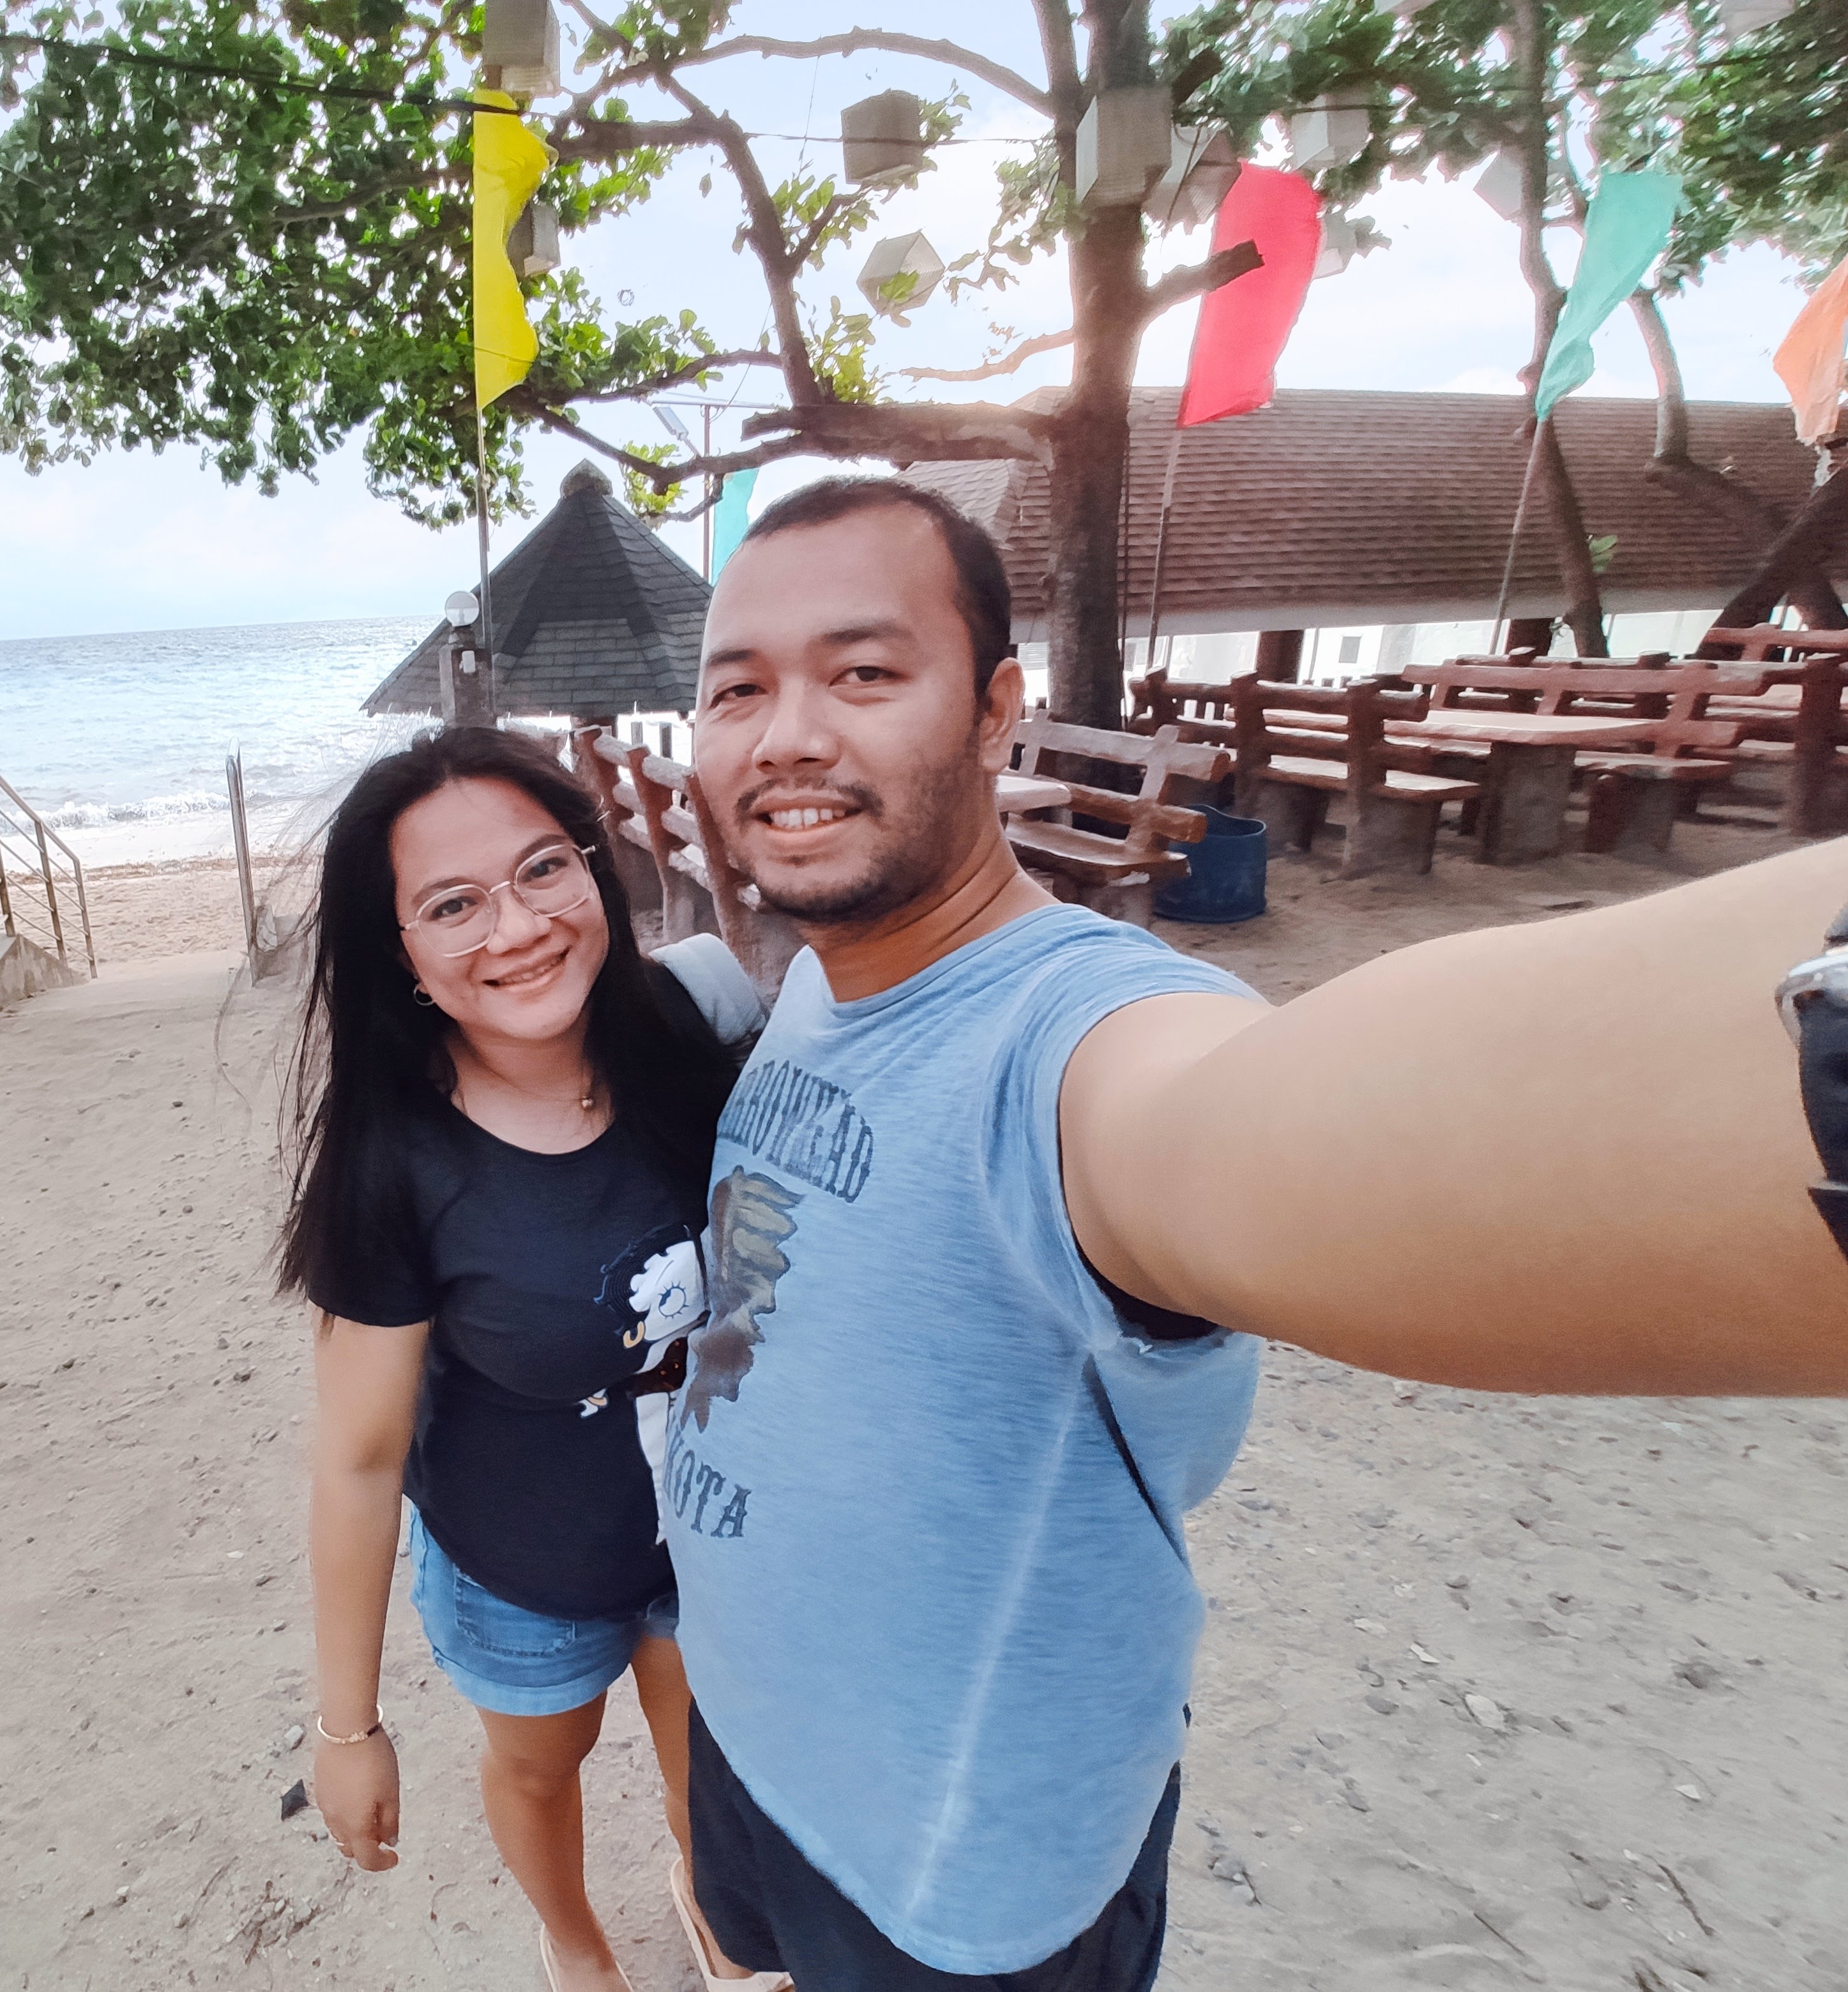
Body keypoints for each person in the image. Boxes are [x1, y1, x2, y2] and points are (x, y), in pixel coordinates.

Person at [663, 475, 1848, 1991]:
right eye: (737, 691)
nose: (787, 735)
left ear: (993, 711)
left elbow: (1253, 1129)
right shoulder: (829, 974)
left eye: (865, 672)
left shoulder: (1075, 1037)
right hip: (760, 1738)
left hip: (957, 1863)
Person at [286, 725, 780, 1992]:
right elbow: (358, 1454)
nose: (514, 927)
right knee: (538, 1763)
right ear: (399, 952)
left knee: (715, 1780)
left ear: (594, 870)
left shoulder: (693, 1016)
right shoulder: (396, 1163)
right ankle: (575, 1945)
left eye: (542, 870)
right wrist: (348, 1728)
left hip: (707, 1530)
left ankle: (719, 1919)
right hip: (519, 1566)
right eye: (452, 905)